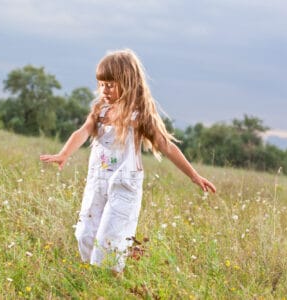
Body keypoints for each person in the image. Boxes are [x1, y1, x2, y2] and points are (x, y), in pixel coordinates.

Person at [40, 49, 216, 274]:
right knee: (85, 233)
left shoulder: (139, 115)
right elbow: (83, 132)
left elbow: (167, 146)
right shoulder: (100, 110)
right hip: (98, 181)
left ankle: (112, 282)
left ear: (128, 82)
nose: (104, 90)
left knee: (109, 239)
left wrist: (194, 175)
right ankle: (96, 277)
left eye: (110, 84)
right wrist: (63, 154)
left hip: (124, 185)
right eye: (101, 84)